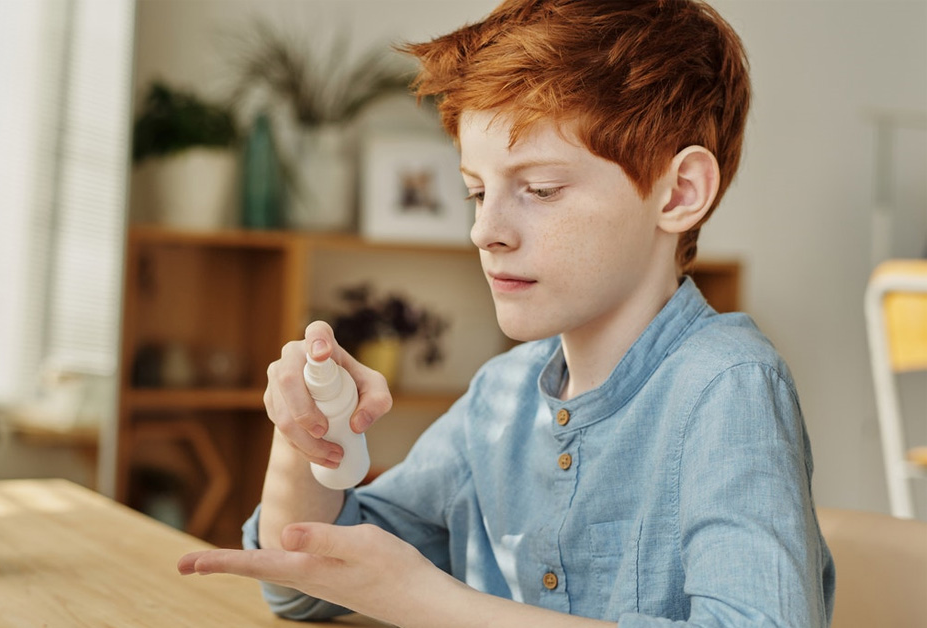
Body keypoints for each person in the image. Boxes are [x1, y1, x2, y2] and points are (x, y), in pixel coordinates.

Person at [178, 0, 836, 625]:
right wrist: (306, 441)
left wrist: (431, 605)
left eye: (540, 190)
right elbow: (307, 586)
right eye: (476, 191)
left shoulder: (727, 386)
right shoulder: (502, 394)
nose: (485, 230)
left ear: (678, 193)